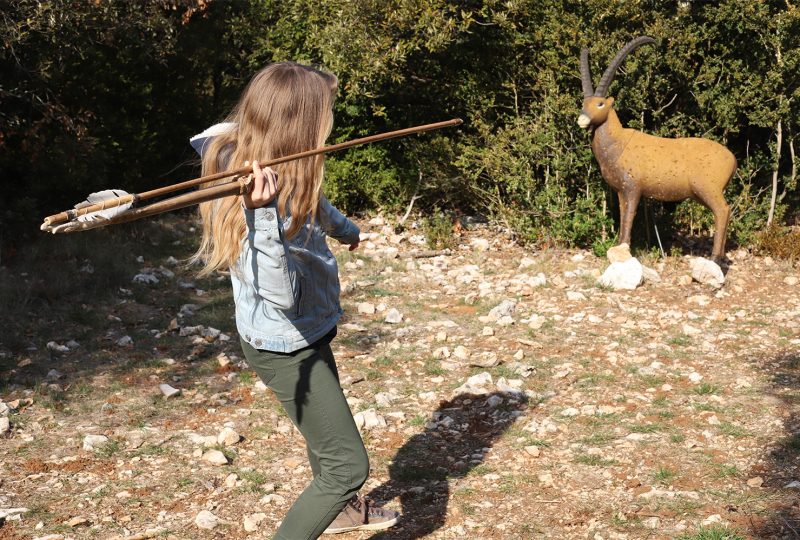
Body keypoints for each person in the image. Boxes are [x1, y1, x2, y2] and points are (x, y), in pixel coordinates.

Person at [189, 62, 399, 539]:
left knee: (327, 439)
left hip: (310, 328)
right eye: (323, 114)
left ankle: (341, 513)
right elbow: (279, 294)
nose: (329, 125)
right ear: (298, 125)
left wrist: (346, 230)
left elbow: (312, 199)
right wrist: (262, 216)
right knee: (346, 466)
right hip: (285, 345)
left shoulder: (286, 163)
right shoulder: (252, 194)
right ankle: (336, 501)